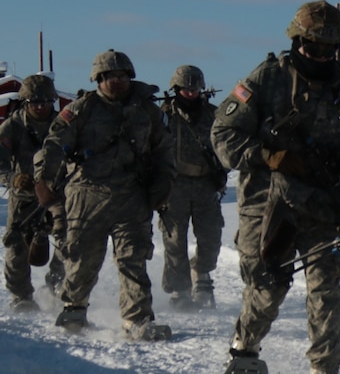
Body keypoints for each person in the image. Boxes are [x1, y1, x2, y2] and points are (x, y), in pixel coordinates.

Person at [213, 1, 340, 374]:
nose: (319, 57)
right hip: (269, 202)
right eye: (312, 48)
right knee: (268, 283)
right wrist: (267, 156)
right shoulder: (266, 79)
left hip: (321, 202)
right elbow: (224, 135)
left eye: (328, 50)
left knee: (325, 284)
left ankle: (325, 372)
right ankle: (244, 351)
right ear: (297, 42)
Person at [34, 51, 174, 339]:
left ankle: (137, 319)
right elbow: (53, 144)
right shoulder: (81, 109)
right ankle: (74, 307)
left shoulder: (146, 110)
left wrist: (163, 183)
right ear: (99, 79)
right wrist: (43, 181)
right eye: (111, 77)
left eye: (123, 76)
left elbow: (164, 148)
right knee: (83, 258)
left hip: (132, 196)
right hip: (87, 195)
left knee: (133, 258)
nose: (118, 81)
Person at [159, 65, 227, 309]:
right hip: (174, 185)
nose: (190, 93)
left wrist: (222, 172)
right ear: (176, 88)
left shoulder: (213, 115)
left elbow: (225, 145)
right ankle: (180, 290)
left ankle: (202, 275)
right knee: (175, 239)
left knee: (211, 238)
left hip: (205, 184)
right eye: (185, 88)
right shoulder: (165, 115)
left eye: (195, 88)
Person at [0, 74, 68, 310]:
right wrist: (12, 178)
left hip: (58, 196)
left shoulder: (64, 126)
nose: (40, 107)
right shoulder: (12, 127)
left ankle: (56, 286)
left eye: (45, 102)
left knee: (69, 242)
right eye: (34, 102)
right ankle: (21, 296)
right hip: (24, 197)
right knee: (16, 245)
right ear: (25, 102)